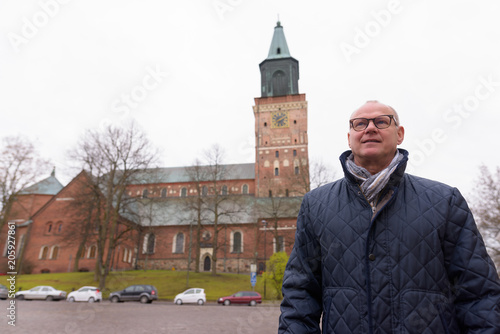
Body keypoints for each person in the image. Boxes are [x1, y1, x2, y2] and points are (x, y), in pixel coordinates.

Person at [278, 100, 500, 333]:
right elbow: (300, 295)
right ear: (349, 137)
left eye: (382, 121)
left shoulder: (445, 201)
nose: (370, 128)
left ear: (400, 134)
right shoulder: (316, 205)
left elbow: (478, 295)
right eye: (360, 123)